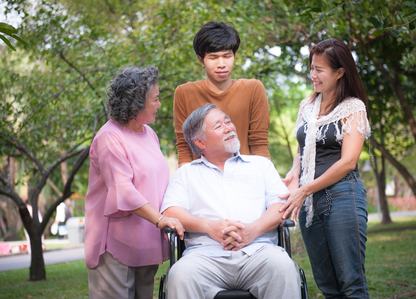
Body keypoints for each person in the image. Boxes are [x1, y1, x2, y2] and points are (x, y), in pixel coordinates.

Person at [161, 104, 301, 299]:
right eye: (218, 126)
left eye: (228, 121)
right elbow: (170, 212)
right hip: (204, 257)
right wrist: (209, 226)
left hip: (259, 252)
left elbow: (280, 205)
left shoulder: (261, 165)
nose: (229, 128)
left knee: (283, 266)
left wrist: (254, 230)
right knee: (180, 274)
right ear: (200, 142)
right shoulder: (186, 173)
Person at [280, 39, 371, 298]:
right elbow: (302, 149)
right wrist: (295, 174)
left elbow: (348, 162)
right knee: (327, 285)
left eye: (320, 69)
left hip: (343, 195)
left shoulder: (353, 107)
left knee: (351, 283)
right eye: (312, 68)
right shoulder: (307, 105)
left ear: (339, 72)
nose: (313, 75)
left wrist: (304, 189)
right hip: (310, 202)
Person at [84, 66, 185, 299]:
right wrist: (161, 219)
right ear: (136, 103)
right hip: (115, 244)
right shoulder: (109, 137)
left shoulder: (149, 134)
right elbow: (123, 191)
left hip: (146, 239)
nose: (160, 105)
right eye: (156, 99)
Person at [173, 21, 271, 167]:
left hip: (245, 177)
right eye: (213, 57)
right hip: (202, 180)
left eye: (227, 56)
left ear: (234, 56)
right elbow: (184, 147)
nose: (221, 64)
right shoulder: (184, 93)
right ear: (201, 60)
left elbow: (259, 143)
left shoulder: (253, 88)